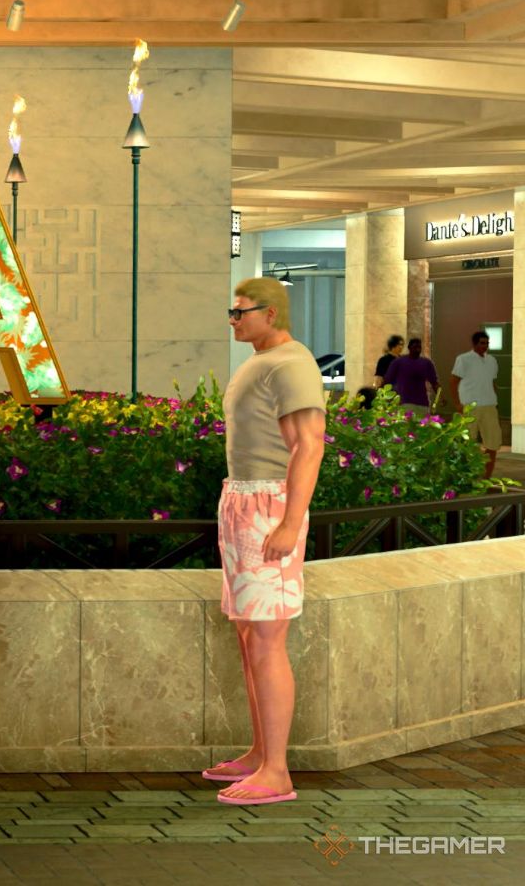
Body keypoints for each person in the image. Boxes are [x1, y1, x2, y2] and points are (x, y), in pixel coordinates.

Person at [207, 278, 326, 807]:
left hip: (268, 508)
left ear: (270, 313)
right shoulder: (262, 360)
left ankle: (276, 771)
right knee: (248, 634)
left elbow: (309, 445)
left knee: (268, 638)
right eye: (230, 313)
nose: (233, 320)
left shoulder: (291, 363)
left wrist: (288, 521)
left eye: (240, 313)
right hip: (242, 503)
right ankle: (260, 753)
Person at [452, 331, 502, 478]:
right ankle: (466, 477)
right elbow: (453, 381)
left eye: (487, 343)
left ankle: (486, 478)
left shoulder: (492, 360)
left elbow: (492, 382)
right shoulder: (463, 359)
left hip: (489, 406)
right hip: (470, 406)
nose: (485, 346)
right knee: (466, 444)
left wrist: (495, 401)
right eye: (482, 343)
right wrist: (457, 404)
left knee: (493, 444)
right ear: (474, 344)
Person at [384, 337, 438, 413]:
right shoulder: (398, 362)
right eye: (415, 347)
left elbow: (434, 383)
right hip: (404, 402)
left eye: (419, 347)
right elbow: (387, 381)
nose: (417, 350)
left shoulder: (426, 363)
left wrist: (440, 397)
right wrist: (388, 400)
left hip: (422, 404)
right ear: (409, 348)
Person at [363, 333, 403, 409]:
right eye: (399, 345)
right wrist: (376, 389)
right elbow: (379, 376)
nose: (401, 347)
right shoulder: (384, 360)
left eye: (402, 345)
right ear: (393, 346)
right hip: (389, 391)